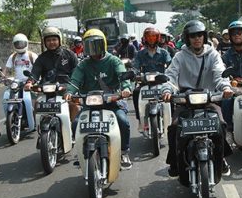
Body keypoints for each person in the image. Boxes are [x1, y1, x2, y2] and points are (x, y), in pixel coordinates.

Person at [162, 20, 233, 178]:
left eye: (200, 35)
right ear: (187, 38)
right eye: (193, 36)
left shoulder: (213, 54)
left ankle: (220, 158)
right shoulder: (180, 56)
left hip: (209, 99)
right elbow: (170, 76)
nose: (197, 39)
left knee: (221, 125)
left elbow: (220, 73)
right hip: (185, 101)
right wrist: (167, 90)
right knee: (174, 128)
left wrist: (225, 87)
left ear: (204, 37)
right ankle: (174, 162)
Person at [65, 29, 134, 169]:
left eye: (96, 44)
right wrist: (69, 92)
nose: (93, 49)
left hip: (113, 101)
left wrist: (126, 89)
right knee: (76, 123)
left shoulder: (113, 60)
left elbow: (122, 76)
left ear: (103, 44)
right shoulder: (83, 64)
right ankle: (81, 153)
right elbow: (75, 80)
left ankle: (123, 152)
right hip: (90, 103)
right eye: (89, 45)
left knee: (123, 121)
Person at [25, 26, 80, 124]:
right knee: (37, 105)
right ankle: (40, 129)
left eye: (54, 39)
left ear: (59, 40)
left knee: (74, 106)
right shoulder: (41, 58)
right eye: (48, 40)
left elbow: (77, 72)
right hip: (47, 89)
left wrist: (73, 85)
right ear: (45, 42)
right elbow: (35, 72)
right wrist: (30, 82)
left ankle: (71, 127)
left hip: (66, 89)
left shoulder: (69, 54)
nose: (51, 42)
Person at [132, 27, 172, 133]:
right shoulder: (140, 54)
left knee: (171, 96)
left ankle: (172, 120)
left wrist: (168, 73)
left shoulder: (164, 53)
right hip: (145, 82)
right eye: (149, 37)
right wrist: (135, 74)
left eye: (153, 36)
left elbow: (170, 65)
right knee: (135, 92)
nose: (151, 39)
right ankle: (140, 120)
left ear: (157, 38)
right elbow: (135, 67)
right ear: (145, 38)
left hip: (161, 82)